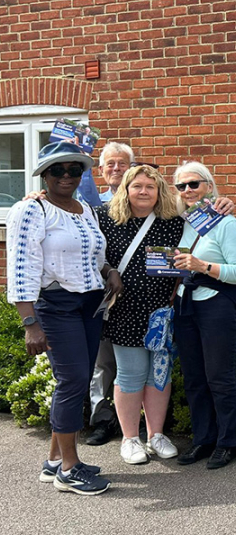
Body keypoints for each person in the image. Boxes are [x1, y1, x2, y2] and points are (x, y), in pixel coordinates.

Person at [5, 141, 122, 495]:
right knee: (71, 382)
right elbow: (20, 267)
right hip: (55, 306)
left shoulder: (84, 209)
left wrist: (108, 269)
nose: (67, 176)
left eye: (75, 170)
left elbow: (92, 252)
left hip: (88, 304)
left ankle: (55, 460)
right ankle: (69, 471)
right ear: (44, 173)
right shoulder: (31, 211)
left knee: (80, 377)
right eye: (58, 170)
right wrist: (30, 323)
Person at [97, 165, 184, 465]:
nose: (144, 191)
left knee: (159, 375)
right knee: (131, 374)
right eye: (137, 186)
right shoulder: (106, 219)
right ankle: (130, 438)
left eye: (150, 186)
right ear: (126, 189)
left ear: (159, 190)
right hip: (124, 311)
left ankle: (156, 435)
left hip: (161, 313)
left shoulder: (172, 223)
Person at [172, 161, 236, 470]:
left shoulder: (225, 222)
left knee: (220, 377)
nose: (189, 191)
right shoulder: (178, 220)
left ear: (209, 185)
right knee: (193, 378)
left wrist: (203, 266)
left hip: (216, 304)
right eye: (182, 186)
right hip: (185, 305)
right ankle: (203, 438)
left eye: (195, 184)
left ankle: (228, 441)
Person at [85, 141, 135, 447]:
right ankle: (103, 421)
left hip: (141, 295)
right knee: (102, 363)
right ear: (101, 171)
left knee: (136, 362)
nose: (116, 169)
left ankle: (136, 421)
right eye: (110, 164)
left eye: (122, 163)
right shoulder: (89, 202)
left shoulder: (146, 197)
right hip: (102, 293)